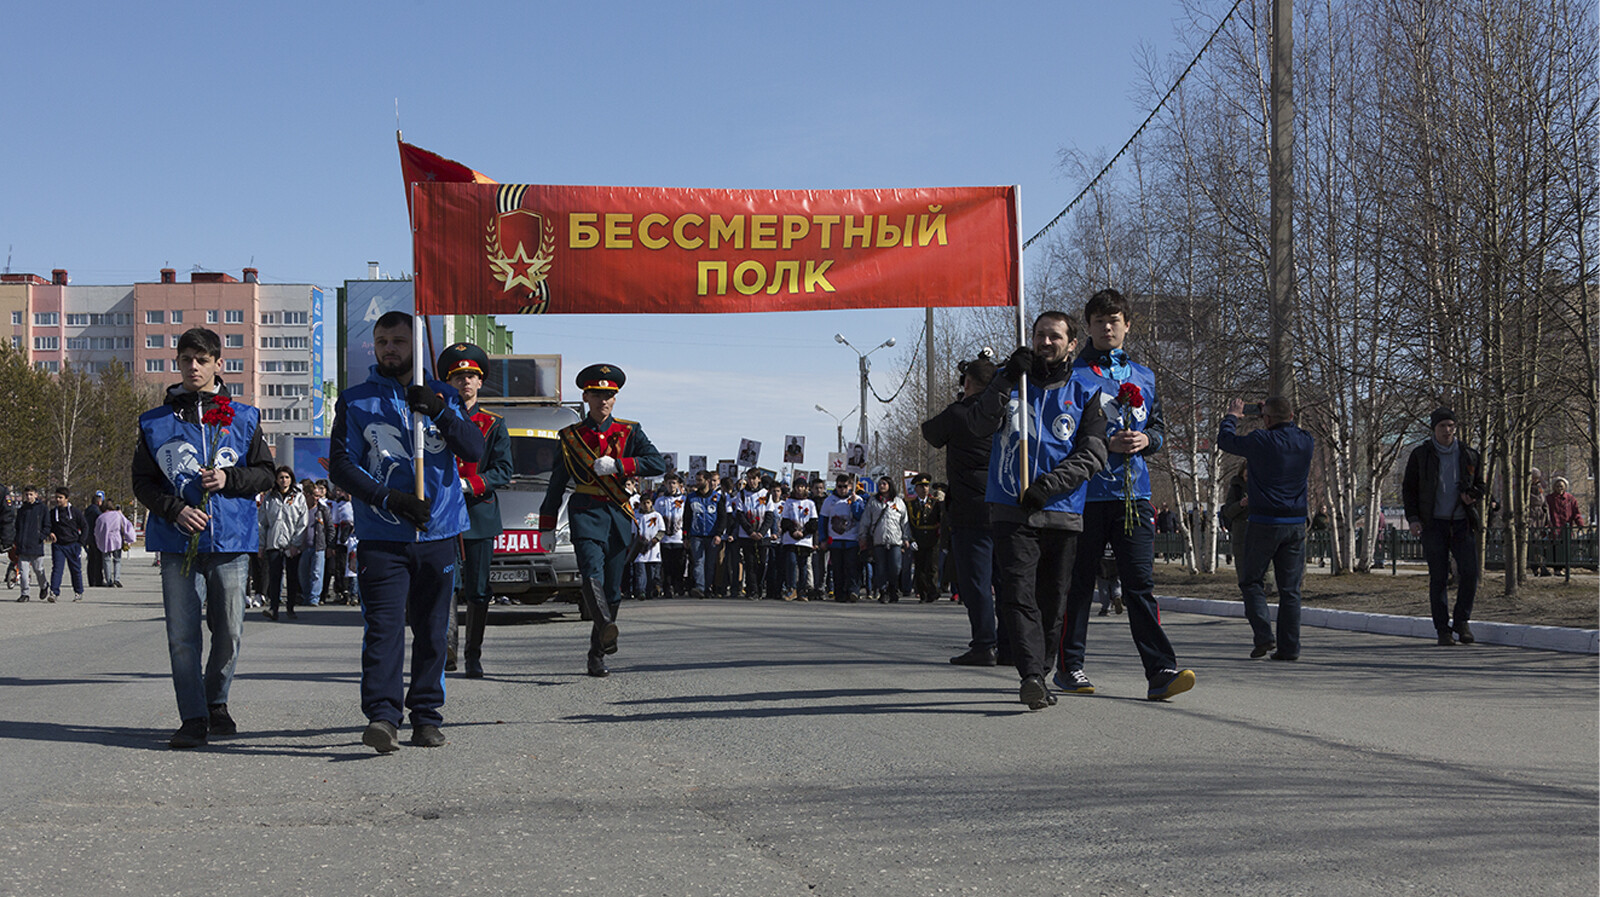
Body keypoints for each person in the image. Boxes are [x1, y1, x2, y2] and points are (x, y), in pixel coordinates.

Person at [330, 310, 484, 752]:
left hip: (437, 533)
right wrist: (388, 498)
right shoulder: (356, 401)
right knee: (383, 629)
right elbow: (342, 464)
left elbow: (473, 448)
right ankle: (382, 716)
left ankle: (426, 716)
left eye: (398, 341)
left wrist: (438, 409)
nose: (390, 349)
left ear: (414, 346)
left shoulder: (442, 394)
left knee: (434, 631)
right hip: (383, 534)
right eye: (382, 342)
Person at [131, 326, 275, 748]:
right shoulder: (155, 422)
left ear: (218, 365)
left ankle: (217, 700)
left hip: (231, 542)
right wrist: (175, 509)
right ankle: (193, 717)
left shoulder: (243, 417)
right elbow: (142, 482)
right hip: (178, 545)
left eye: (201, 360)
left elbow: (265, 472)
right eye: (185, 360)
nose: (192, 367)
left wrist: (229, 478)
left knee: (229, 631)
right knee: (182, 636)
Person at [1058, 288, 1195, 702]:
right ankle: (1069, 666)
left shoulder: (1143, 376)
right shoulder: (1072, 375)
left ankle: (1160, 671)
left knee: (1140, 585)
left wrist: (1146, 441)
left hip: (1134, 496)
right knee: (1079, 583)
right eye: (1099, 321)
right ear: (1088, 327)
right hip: (1084, 495)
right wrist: (1101, 446)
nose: (1106, 327)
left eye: (1114, 320)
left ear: (1127, 326)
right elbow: (1059, 435)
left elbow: (1157, 428)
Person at [981, 311, 1110, 709]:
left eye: (1055, 336)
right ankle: (1031, 676)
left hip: (1061, 510)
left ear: (1072, 343)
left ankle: (1045, 667)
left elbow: (1093, 453)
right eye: (1040, 335)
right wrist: (1002, 380)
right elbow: (978, 424)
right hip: (1010, 507)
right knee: (1018, 595)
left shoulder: (1088, 390)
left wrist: (1047, 487)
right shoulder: (1009, 379)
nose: (1045, 342)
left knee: (1054, 600)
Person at [538, 363, 665, 677]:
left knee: (613, 591)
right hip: (586, 513)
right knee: (591, 572)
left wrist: (620, 465)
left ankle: (597, 652)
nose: (603, 400)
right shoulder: (571, 436)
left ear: (615, 398)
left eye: (608, 395)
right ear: (586, 396)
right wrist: (547, 525)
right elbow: (557, 482)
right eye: (596, 394)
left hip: (618, 515)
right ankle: (607, 625)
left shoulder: (629, 430)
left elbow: (656, 462)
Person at [922, 352, 1011, 666]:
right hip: (1008, 507)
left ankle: (984, 644)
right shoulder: (1009, 412)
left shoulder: (960, 413)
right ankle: (1011, 646)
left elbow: (930, 432)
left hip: (971, 511)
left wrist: (961, 400)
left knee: (976, 583)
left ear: (968, 382)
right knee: (1007, 582)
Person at [437, 342, 513, 679]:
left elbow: (503, 470)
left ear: (480, 382)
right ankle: (448, 649)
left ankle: (474, 655)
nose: (464, 382)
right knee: (445, 585)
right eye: (457, 377)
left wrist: (473, 484)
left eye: (471, 376)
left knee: (479, 590)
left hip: (479, 513)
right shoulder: (437, 418)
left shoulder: (493, 423)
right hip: (442, 515)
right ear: (449, 383)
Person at [1218, 396, 1314, 660]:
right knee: (1290, 590)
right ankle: (1289, 648)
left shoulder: (1261, 440)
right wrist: (1269, 414)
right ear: (1292, 415)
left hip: (1264, 522)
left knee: (1251, 581)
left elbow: (1225, 441)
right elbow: (1289, 425)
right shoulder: (1306, 441)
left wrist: (1233, 416)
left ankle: (1264, 636)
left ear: (1267, 419)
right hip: (1295, 523)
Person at [1402, 407, 1485, 646]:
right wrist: (1414, 518)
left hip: (1461, 522)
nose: (1447, 431)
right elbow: (1409, 489)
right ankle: (1442, 629)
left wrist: (1473, 495)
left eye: (1451, 425)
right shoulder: (1421, 455)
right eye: (1442, 426)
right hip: (1433, 523)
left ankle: (1462, 622)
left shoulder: (1469, 454)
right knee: (1438, 576)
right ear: (1434, 429)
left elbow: (1480, 483)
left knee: (1469, 573)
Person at [258, 467, 306, 620]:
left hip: (291, 543)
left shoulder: (298, 497)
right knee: (274, 577)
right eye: (281, 477)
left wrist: (295, 544)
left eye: (286, 477)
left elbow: (302, 523)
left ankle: (290, 607)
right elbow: (262, 523)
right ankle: (274, 608)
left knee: (292, 577)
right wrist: (261, 545)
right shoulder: (270, 498)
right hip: (274, 542)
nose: (283, 480)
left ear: (291, 479)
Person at [861, 477, 910, 603]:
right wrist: (863, 536)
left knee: (896, 567)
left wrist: (906, 538)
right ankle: (883, 591)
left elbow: (904, 522)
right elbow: (866, 520)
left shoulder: (898, 502)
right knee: (880, 568)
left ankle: (893, 588)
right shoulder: (873, 501)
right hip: (879, 540)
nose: (881, 486)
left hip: (895, 541)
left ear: (890, 485)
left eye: (884, 483)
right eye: (880, 484)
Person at [821, 474, 864, 602]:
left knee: (852, 567)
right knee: (837, 569)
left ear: (850, 486)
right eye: (839, 486)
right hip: (835, 540)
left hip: (852, 540)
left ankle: (853, 591)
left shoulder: (857, 499)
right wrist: (823, 539)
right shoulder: (829, 501)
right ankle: (839, 593)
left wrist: (855, 502)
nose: (842, 489)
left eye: (845, 486)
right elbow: (823, 521)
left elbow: (860, 517)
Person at [45, 487, 88, 603]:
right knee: (57, 569)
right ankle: (54, 592)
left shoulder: (75, 512)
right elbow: (47, 525)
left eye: (60, 498)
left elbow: (85, 527)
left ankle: (78, 592)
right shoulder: (53, 513)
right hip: (58, 545)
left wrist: (81, 543)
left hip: (73, 544)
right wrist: (50, 532)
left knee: (75, 570)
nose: (58, 500)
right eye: (56, 497)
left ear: (67, 499)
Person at [906, 474, 943, 603]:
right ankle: (923, 593)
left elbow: (941, 519)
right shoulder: (910, 504)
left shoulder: (935, 503)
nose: (924, 489)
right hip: (919, 538)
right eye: (921, 486)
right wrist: (911, 539)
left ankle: (933, 592)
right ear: (916, 489)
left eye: (926, 486)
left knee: (932, 567)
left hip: (933, 538)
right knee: (920, 567)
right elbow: (909, 523)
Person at [778, 477, 817, 601]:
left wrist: (804, 532)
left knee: (803, 565)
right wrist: (793, 531)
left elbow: (813, 522)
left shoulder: (810, 503)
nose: (799, 489)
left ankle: (802, 590)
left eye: (802, 487)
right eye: (797, 487)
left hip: (805, 540)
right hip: (791, 539)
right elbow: (785, 520)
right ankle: (791, 588)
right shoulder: (789, 502)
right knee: (791, 563)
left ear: (806, 488)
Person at [684, 470, 721, 598]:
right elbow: (687, 517)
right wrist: (686, 536)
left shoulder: (718, 497)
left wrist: (719, 534)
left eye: (700, 480)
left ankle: (707, 588)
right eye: (697, 480)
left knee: (710, 564)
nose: (698, 483)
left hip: (712, 536)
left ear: (708, 481)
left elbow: (722, 518)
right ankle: (699, 587)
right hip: (696, 535)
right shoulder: (691, 497)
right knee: (698, 562)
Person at [13, 486, 48, 603]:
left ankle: (44, 586)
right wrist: (16, 539)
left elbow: (47, 525)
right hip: (22, 545)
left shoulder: (42, 508)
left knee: (38, 569)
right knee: (23, 572)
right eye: (27, 494)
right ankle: (25, 593)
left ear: (36, 495)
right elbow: (17, 526)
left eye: (31, 494)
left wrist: (41, 536)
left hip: (35, 545)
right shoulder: (22, 509)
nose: (29, 497)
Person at [654, 475, 687, 598]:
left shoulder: (683, 499)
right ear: (665, 484)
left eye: (674, 483)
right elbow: (656, 518)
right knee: (666, 565)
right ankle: (668, 587)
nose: (671, 486)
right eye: (669, 483)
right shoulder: (660, 501)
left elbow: (686, 518)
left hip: (679, 537)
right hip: (665, 539)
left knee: (679, 564)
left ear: (678, 484)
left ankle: (678, 585)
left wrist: (686, 536)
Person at [1546, 476, 1586, 574]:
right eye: (1558, 486)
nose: (1560, 488)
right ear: (1554, 487)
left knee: (1566, 549)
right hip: (1554, 528)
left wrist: (1580, 523)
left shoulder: (1570, 499)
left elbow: (1576, 513)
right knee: (1554, 548)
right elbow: (1546, 512)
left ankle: (1565, 568)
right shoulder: (1549, 499)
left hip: (1566, 528)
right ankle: (1557, 569)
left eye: (1561, 486)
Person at [299, 479, 330, 606]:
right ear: (308, 495)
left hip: (319, 547)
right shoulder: (301, 509)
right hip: (304, 546)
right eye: (315, 495)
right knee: (303, 574)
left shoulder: (323, 510)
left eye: (319, 496)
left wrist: (330, 545)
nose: (317, 498)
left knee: (316, 573)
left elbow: (330, 528)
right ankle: (306, 596)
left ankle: (314, 598)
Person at [93, 499, 135, 587]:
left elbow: (97, 531)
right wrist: (129, 539)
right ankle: (117, 579)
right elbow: (127, 525)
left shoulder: (101, 517)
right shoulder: (118, 515)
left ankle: (109, 580)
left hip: (105, 540)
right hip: (117, 540)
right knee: (117, 560)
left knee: (106, 560)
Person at [631, 498, 665, 600]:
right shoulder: (636, 516)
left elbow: (662, 530)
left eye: (648, 503)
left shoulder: (657, 516)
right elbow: (633, 532)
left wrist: (656, 539)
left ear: (651, 503)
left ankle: (650, 591)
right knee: (640, 572)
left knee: (651, 572)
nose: (646, 505)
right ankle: (641, 591)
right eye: (644, 503)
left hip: (653, 548)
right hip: (640, 548)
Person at [83, 491, 105, 588]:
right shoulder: (97, 512)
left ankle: (91, 580)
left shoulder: (87, 510)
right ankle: (98, 580)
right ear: (99, 502)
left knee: (91, 560)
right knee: (98, 560)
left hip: (88, 537)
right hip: (95, 537)